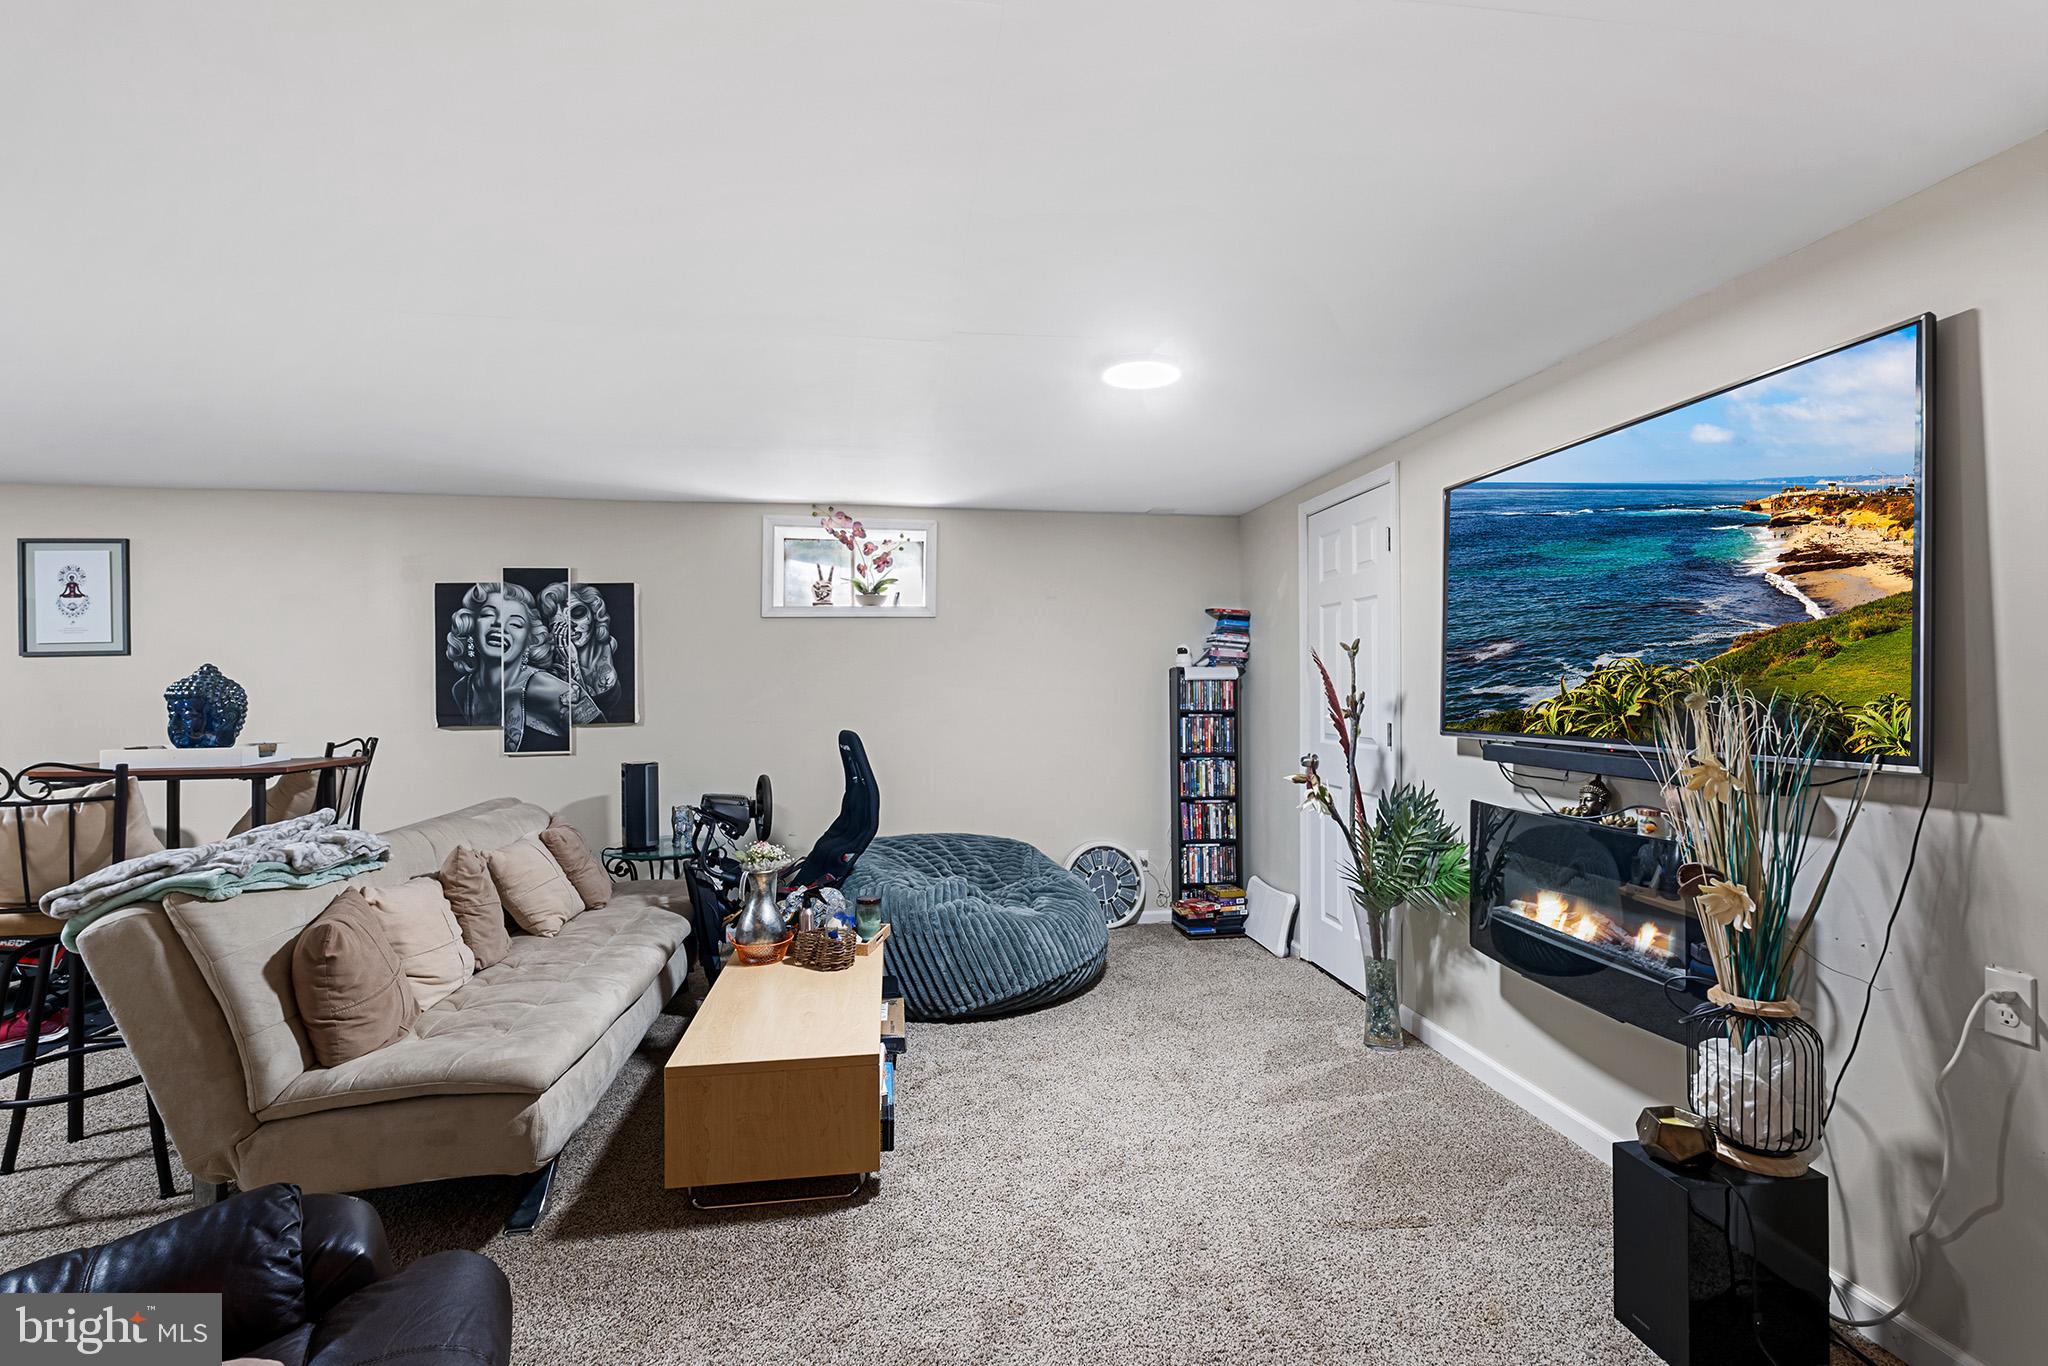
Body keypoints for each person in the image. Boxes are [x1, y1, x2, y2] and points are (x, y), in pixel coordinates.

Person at [443, 582, 571, 748]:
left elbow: (602, 739)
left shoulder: (554, 692)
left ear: (529, 641)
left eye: (516, 624)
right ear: (470, 626)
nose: (499, 624)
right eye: (488, 614)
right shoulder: (462, 690)